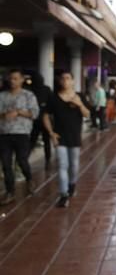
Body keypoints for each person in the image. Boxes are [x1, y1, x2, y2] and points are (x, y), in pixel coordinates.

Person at [43, 72, 90, 208]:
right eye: (62, 78)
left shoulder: (80, 96)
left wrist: (79, 104)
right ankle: (63, 194)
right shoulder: (54, 98)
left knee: (74, 165)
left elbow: (87, 114)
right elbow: (45, 115)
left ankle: (72, 184)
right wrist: (51, 133)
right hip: (59, 136)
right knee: (62, 165)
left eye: (68, 78)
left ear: (73, 81)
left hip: (75, 136)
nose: (65, 81)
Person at [0, 69, 39, 205]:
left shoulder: (29, 95)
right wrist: (4, 115)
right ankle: (10, 191)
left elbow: (34, 114)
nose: (12, 81)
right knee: (6, 163)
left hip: (22, 133)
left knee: (22, 161)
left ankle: (29, 179)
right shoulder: (2, 96)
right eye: (11, 78)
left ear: (22, 79)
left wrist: (18, 112)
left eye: (16, 78)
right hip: (4, 133)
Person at [28, 73, 53, 170]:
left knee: (32, 140)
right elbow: (51, 101)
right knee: (46, 140)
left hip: (35, 119)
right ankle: (48, 160)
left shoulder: (31, 89)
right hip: (45, 118)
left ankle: (25, 158)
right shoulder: (46, 89)